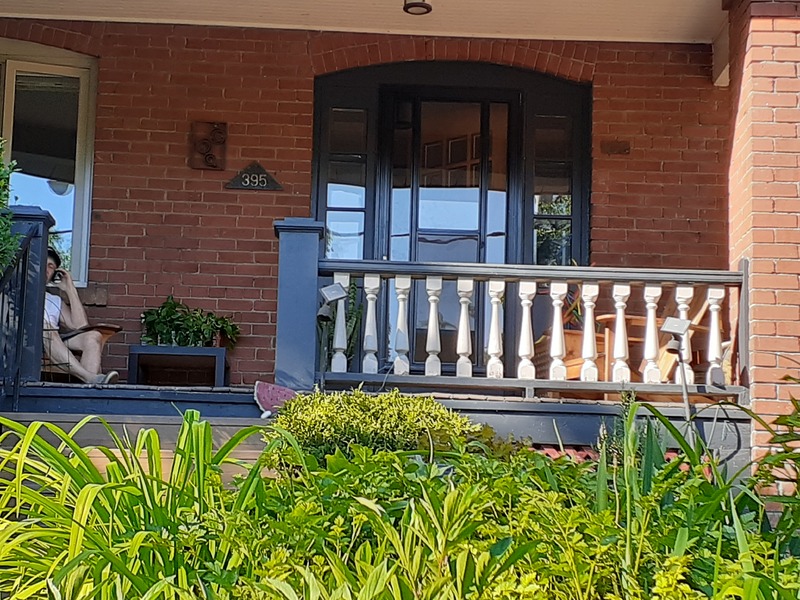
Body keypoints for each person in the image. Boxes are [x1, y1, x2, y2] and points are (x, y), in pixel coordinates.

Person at [43, 246, 119, 384]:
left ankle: (87, 389)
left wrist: (70, 289)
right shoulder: (17, 291)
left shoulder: (54, 300)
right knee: (46, 327)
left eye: (50, 266)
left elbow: (80, 326)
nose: (46, 269)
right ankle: (90, 378)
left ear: (54, 273)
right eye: (43, 263)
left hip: (54, 340)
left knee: (93, 336)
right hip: (29, 340)